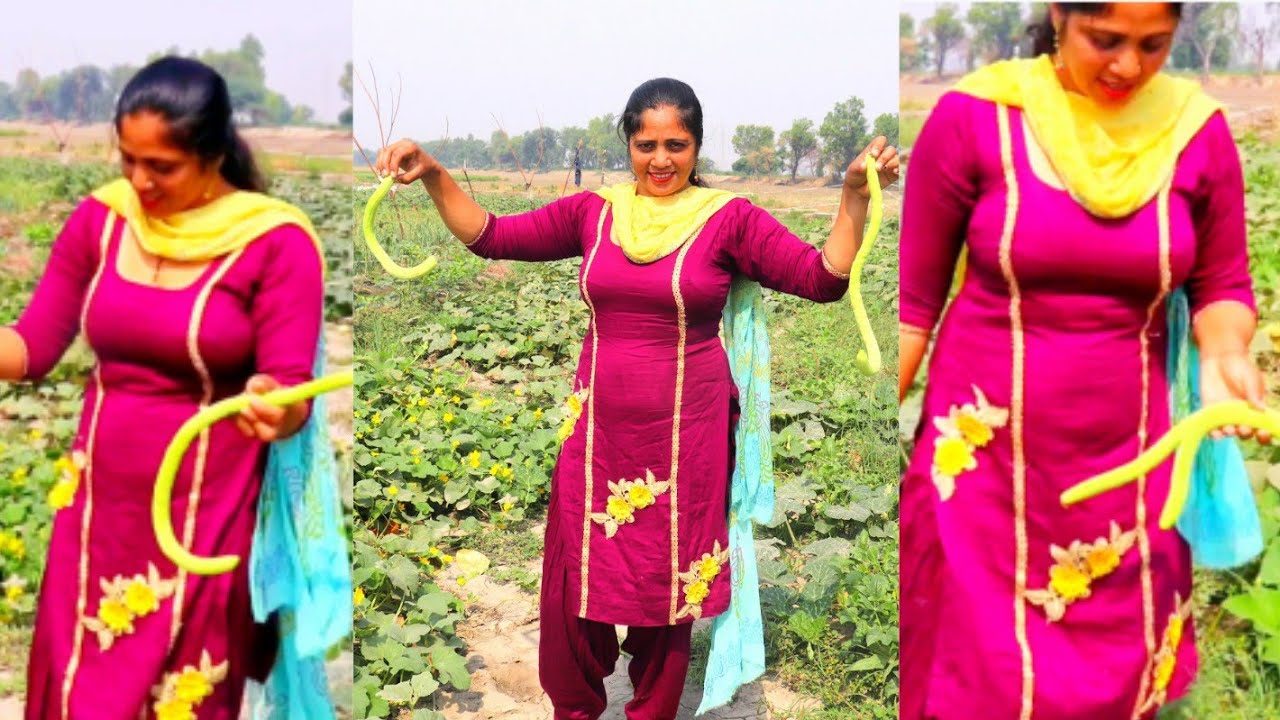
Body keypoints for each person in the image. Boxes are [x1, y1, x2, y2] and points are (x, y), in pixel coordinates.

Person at [377, 76, 898, 718]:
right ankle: (576, 703)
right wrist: (431, 173)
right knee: (578, 571)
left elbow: (822, 279)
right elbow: (492, 235)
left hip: (689, 435)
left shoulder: (728, 219)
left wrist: (851, 196)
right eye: (645, 143)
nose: (660, 159)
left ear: (697, 146)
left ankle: (651, 708)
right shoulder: (593, 212)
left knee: (668, 577)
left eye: (676, 144)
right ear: (627, 143)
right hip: (596, 433)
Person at [898, 4, 1263, 719]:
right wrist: (878, 406)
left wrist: (1224, 355)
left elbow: (1222, 285)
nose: (1129, 66)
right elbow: (914, 305)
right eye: (1107, 41)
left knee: (1116, 680)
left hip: (1130, 469)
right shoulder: (977, 119)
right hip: (984, 468)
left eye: (1154, 45)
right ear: (1060, 15)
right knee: (977, 678)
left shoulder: (1196, 134)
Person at [0, 56, 348, 719]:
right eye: (129, 159)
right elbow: (33, 345)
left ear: (213, 153)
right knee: (77, 683)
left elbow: (292, 390)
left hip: (204, 515)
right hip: (97, 506)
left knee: (181, 693)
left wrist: (277, 409)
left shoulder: (274, 243)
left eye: (161, 167)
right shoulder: (102, 220)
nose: (139, 180)